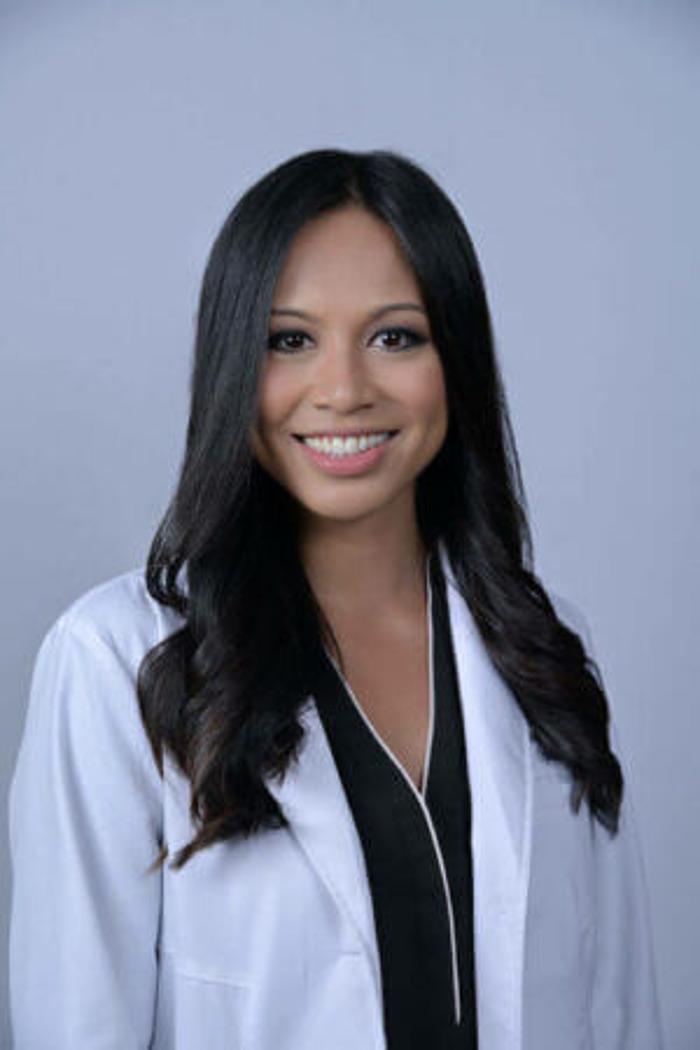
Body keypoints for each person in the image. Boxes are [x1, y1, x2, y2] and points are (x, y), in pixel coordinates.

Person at [7, 148, 664, 1049]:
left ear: (456, 359)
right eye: (289, 340)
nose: (345, 391)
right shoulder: (114, 661)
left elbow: (620, 1012)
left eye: (395, 337)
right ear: (232, 363)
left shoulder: (542, 649)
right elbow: (74, 1024)